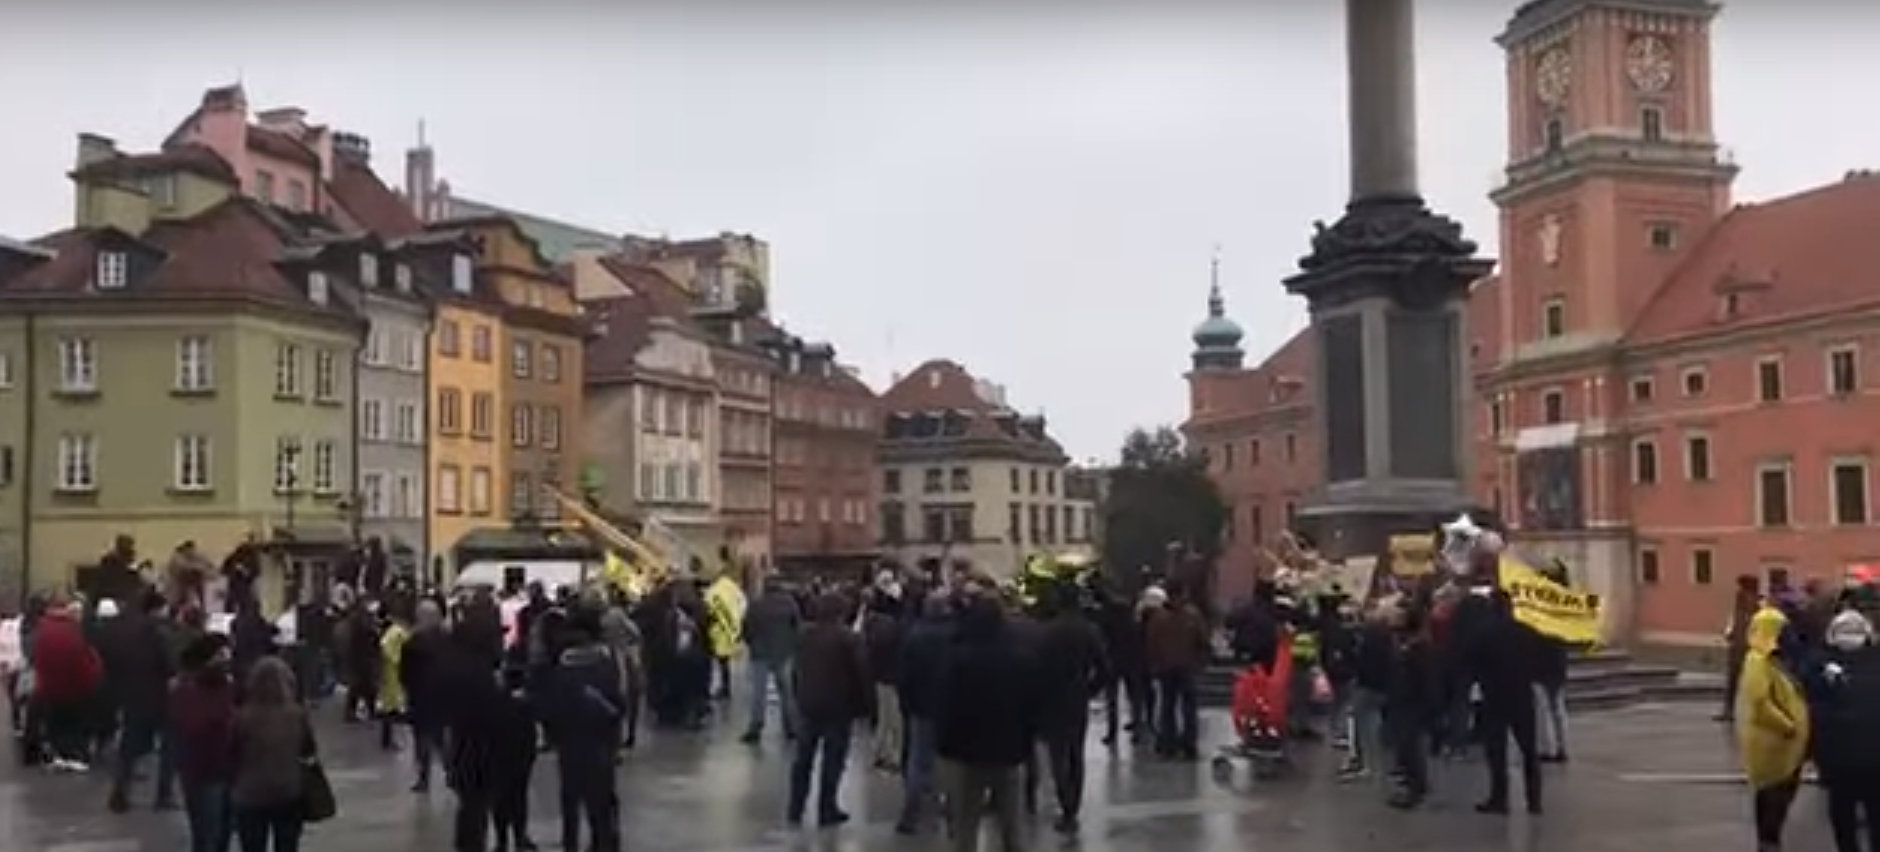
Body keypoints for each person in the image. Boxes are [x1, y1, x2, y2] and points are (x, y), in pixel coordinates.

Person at [938, 585, 1039, 852]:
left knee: (966, 822)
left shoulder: (961, 660)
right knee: (1011, 821)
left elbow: (950, 708)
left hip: (969, 753)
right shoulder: (1020, 660)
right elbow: (1031, 708)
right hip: (1009, 750)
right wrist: (1026, 743)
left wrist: (947, 747)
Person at [539, 605, 625, 852]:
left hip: (570, 745)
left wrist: (554, 734)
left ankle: (571, 845)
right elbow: (618, 704)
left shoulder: (561, 668)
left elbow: (551, 709)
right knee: (601, 804)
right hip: (600, 744)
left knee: (570, 803)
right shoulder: (605, 663)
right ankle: (604, 843)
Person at [787, 592, 872, 827]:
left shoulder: (804, 635)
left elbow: (795, 669)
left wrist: (798, 694)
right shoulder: (849, 639)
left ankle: (795, 807)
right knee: (832, 760)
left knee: (803, 759)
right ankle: (827, 808)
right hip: (839, 706)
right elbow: (861, 674)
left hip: (809, 703)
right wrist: (865, 706)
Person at [1031, 581, 1108, 834]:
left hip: (1051, 698)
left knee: (1058, 755)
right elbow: (1104, 669)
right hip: (1077, 698)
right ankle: (1072, 806)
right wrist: (1090, 690)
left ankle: (1065, 803)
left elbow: (1036, 666)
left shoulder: (1046, 632)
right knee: (1076, 754)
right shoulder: (1089, 631)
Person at [1737, 602, 1809, 852]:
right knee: (1772, 795)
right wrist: (1787, 725)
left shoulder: (1780, 659)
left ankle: (1770, 839)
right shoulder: (1757, 660)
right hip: (1772, 742)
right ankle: (1768, 842)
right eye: (1781, 628)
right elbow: (1760, 703)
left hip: (1788, 745)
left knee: (1781, 793)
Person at [1808, 609, 1880, 852]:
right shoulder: (1821, 665)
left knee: (1846, 820)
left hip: (1841, 762)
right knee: (1868, 817)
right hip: (1866, 760)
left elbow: (1813, 713)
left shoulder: (1820, 665)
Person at [230, 657, 316, 852]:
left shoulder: (242, 716)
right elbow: (308, 749)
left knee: (252, 846)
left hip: (249, 793)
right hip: (288, 790)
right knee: (287, 845)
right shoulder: (296, 714)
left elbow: (231, 752)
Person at [104, 589, 178, 811]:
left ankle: (120, 793)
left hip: (131, 695)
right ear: (156, 609)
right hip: (158, 696)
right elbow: (170, 664)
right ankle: (164, 795)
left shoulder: (124, 630)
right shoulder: (158, 632)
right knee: (170, 747)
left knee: (129, 748)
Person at [171, 634, 237, 852]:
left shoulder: (228, 686)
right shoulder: (187, 688)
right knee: (208, 834)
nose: (227, 659)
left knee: (222, 833)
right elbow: (193, 726)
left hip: (226, 768)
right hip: (203, 771)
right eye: (221, 654)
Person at [895, 590, 954, 836]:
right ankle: (952, 814)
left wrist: (907, 704)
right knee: (951, 762)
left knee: (919, 762)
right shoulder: (955, 635)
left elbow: (904, 676)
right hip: (951, 708)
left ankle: (911, 813)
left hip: (921, 707)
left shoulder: (914, 636)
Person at [31, 592, 102, 772]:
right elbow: (83, 659)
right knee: (74, 723)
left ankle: (57, 754)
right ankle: (74, 755)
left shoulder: (43, 628)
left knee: (55, 722)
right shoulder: (73, 630)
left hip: (48, 685)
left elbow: (36, 656)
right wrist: (92, 678)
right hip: (73, 686)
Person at [1143, 588, 1209, 760]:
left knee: (1169, 707)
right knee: (1185, 707)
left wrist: (1154, 665)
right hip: (1185, 667)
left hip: (1168, 668)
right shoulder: (1192, 615)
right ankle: (1187, 744)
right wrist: (1199, 663)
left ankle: (1169, 744)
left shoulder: (1159, 618)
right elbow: (1202, 640)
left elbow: (1151, 643)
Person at [740, 580, 801, 744]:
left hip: (760, 653)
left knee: (758, 693)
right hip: (784, 653)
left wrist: (752, 643)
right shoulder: (790, 604)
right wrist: (792, 646)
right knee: (787, 693)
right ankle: (792, 727)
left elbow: (745, 628)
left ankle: (755, 727)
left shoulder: (756, 605)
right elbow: (797, 627)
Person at [400, 600, 449, 792]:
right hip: (442, 693)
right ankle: (451, 771)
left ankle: (423, 778)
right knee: (441, 736)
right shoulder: (448, 639)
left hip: (419, 695)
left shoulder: (412, 642)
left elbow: (404, 673)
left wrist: (408, 689)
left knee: (422, 738)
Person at [862, 589, 907, 772]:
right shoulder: (893, 628)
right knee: (896, 721)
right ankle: (894, 756)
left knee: (883, 718)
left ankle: (877, 752)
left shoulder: (871, 626)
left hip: (879, 677)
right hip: (894, 677)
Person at [1719, 574, 1761, 722]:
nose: (1740, 592)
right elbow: (1733, 622)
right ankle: (1729, 710)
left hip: (1749, 648)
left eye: (1742, 588)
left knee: (1749, 682)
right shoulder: (1741, 604)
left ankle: (1749, 712)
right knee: (1733, 680)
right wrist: (1729, 633)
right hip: (1738, 646)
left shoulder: (1757, 605)